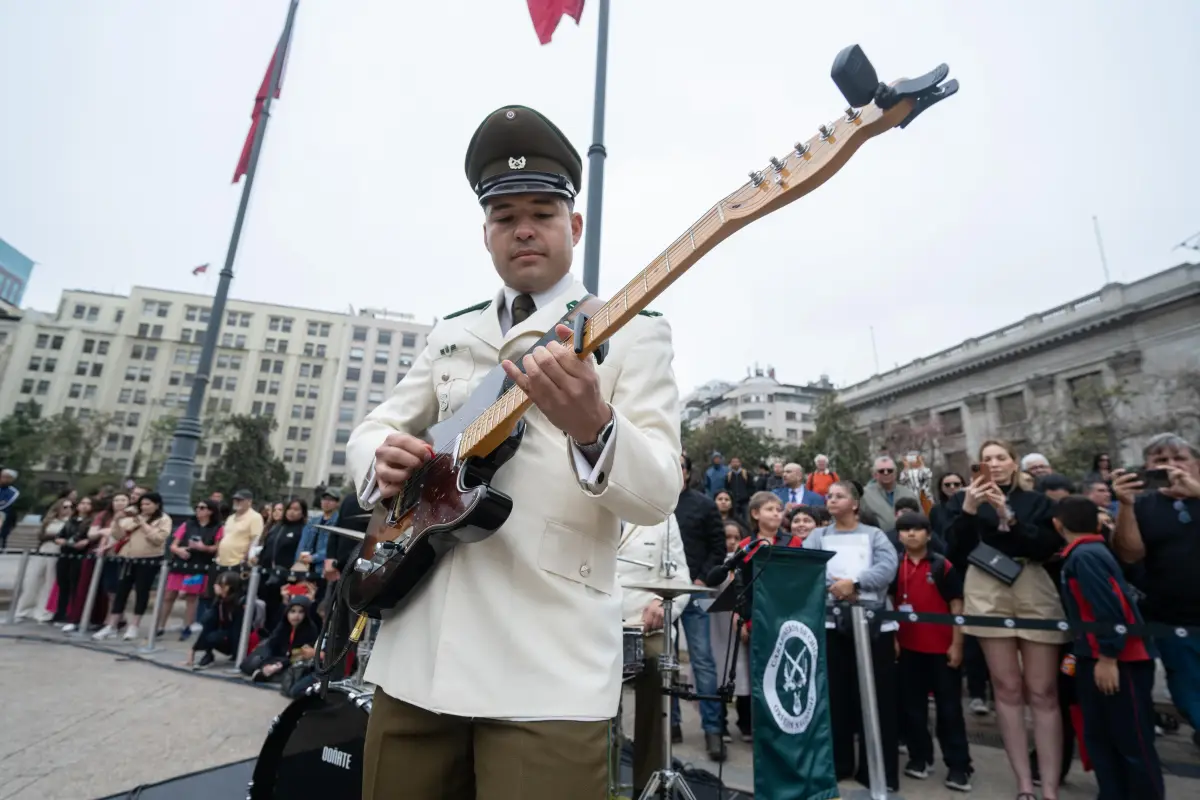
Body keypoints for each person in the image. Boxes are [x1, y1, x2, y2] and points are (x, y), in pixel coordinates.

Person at [345, 104, 682, 800]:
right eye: (504, 217)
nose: (523, 228)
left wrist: (596, 427)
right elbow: (373, 428)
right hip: (418, 654)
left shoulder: (634, 331)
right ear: (486, 234)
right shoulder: (453, 331)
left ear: (574, 226)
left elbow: (658, 495)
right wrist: (381, 460)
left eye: (541, 212)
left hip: (546, 670)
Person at [945, 440, 1069, 800]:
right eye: (986, 460)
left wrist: (1009, 517)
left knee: (1043, 691)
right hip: (985, 585)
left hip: (1032, 584)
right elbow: (954, 550)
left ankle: (1049, 787)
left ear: (1015, 464)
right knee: (1007, 688)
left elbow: (1047, 547)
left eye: (1001, 458)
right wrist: (969, 510)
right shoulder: (963, 500)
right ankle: (1024, 786)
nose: (994, 464)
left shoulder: (1038, 501)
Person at [1052, 496, 1164, 800]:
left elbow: (1110, 610)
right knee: (1100, 736)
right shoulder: (1086, 552)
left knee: (1131, 741)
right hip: (1092, 655)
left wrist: (1108, 656)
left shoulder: (1086, 556)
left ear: (1057, 525)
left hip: (1119, 660)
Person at [803, 480, 901, 791]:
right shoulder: (818, 536)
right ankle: (839, 763)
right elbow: (808, 569)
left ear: (855, 503)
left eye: (839, 495)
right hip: (831, 624)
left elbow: (888, 568)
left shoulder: (874, 535)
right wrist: (835, 587)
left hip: (872, 625)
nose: (831, 500)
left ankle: (878, 772)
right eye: (829, 496)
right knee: (836, 697)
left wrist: (855, 583)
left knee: (879, 698)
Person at [1109, 433, 1200, 749]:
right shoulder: (1143, 505)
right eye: (1161, 461)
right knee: (1188, 688)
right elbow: (1130, 554)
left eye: (1180, 459)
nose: (1172, 467)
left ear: (1196, 464)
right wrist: (1125, 506)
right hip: (1172, 617)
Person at [891, 512, 973, 792]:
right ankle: (919, 758)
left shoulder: (943, 566)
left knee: (950, 711)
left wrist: (957, 644)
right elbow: (889, 602)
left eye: (917, 529)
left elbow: (957, 606)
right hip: (909, 650)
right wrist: (894, 639)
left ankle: (959, 766)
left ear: (928, 533)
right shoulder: (894, 565)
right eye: (905, 530)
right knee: (912, 709)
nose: (911, 534)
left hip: (942, 650)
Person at [615, 512, 689, 795]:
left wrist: (661, 603)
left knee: (660, 666)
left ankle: (647, 784)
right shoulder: (587, 499)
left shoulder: (662, 515)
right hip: (594, 621)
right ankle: (594, 778)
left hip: (645, 626)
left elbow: (681, 576)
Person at [670, 454, 728, 758]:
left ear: (688, 473)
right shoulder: (654, 503)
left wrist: (704, 579)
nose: (675, 470)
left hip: (695, 593)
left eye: (680, 466)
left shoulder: (704, 504)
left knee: (703, 661)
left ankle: (713, 729)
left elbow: (718, 548)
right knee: (666, 663)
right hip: (662, 596)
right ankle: (672, 724)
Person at [861, 456, 919, 533]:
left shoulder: (909, 493)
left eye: (890, 470)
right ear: (875, 475)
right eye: (881, 471)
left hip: (907, 540)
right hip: (877, 541)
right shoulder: (864, 495)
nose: (886, 473)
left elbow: (921, 519)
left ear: (895, 473)